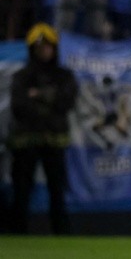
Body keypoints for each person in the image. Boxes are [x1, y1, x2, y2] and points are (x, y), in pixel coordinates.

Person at [9, 23, 78, 234]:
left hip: (54, 139)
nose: (44, 51)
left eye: (48, 47)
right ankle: (18, 233)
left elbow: (66, 101)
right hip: (26, 140)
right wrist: (50, 99)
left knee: (57, 189)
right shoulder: (21, 76)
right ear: (32, 50)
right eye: (39, 48)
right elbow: (19, 106)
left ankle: (61, 233)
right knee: (22, 189)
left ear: (54, 49)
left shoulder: (64, 75)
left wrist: (38, 95)